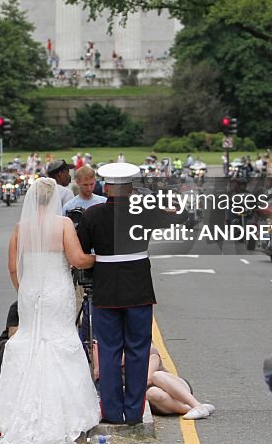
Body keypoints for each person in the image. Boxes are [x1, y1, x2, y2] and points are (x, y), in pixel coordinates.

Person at [0, 178, 100, 443]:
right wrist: (97, 257)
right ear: (55, 200)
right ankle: (64, 408)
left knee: (30, 342)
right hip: (56, 291)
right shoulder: (62, 225)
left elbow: (13, 267)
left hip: (30, 294)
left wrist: (23, 289)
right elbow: (76, 259)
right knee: (59, 340)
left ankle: (20, 407)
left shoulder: (21, 228)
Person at [76, 162, 176, 425]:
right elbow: (174, 217)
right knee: (138, 350)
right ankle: (133, 412)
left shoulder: (92, 214)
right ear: (131, 188)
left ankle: (111, 411)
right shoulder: (145, 211)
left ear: (105, 187)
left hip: (106, 289)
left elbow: (83, 252)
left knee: (108, 351)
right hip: (139, 290)